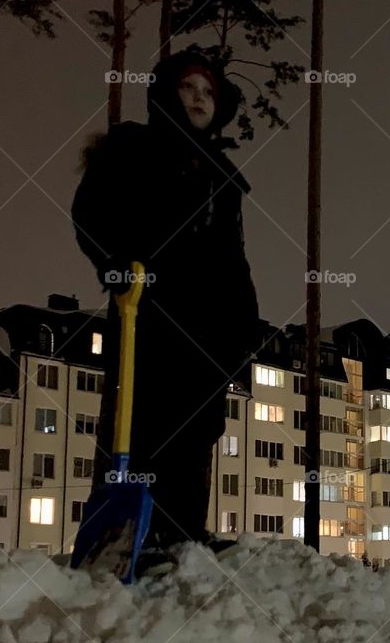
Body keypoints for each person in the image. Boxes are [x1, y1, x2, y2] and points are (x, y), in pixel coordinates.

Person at [71, 49, 262, 559]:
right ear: (166, 95)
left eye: (208, 92)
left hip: (209, 322)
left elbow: (233, 256)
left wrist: (246, 320)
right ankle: (131, 531)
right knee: (145, 417)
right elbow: (92, 211)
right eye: (188, 88)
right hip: (149, 307)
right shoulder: (135, 147)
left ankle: (180, 531)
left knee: (200, 424)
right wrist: (113, 262)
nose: (199, 98)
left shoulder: (223, 176)